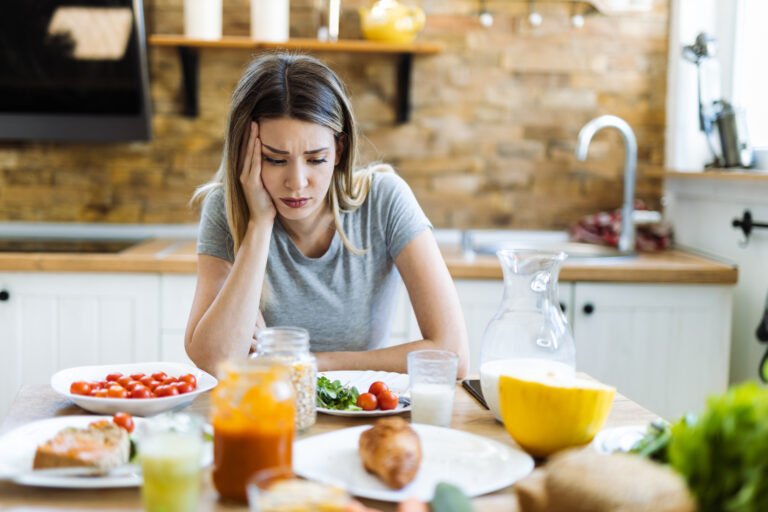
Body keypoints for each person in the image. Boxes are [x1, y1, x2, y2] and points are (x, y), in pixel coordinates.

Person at [184, 53, 469, 378]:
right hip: (266, 413)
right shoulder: (226, 208)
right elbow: (214, 360)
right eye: (275, 160)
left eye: (316, 159)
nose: (296, 182)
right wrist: (259, 227)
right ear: (244, 154)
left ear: (339, 150)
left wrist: (308, 362)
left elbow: (453, 355)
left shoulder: (385, 200)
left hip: (360, 411)